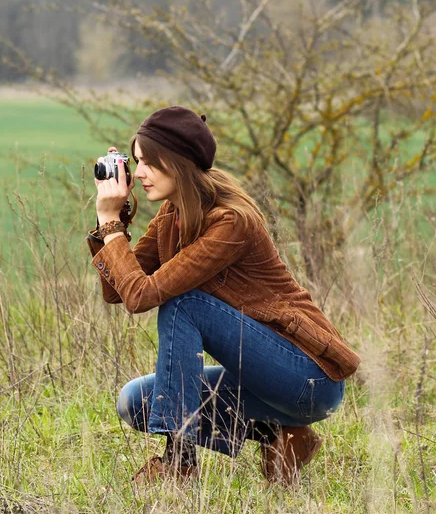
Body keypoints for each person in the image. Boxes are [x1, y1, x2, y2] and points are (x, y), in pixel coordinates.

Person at [86, 106, 361, 486]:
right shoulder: (173, 214)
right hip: (262, 383)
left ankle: (179, 464)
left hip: (308, 379)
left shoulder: (231, 220)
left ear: (179, 162)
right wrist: (111, 225)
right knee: (137, 401)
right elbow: (119, 292)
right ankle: (281, 435)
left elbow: (142, 295)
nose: (140, 173)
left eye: (148, 162)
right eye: (135, 163)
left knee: (183, 303)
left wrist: (112, 224)